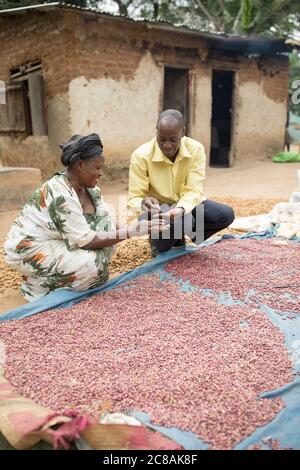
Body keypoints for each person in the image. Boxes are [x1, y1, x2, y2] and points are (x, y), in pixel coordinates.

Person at [4, 133, 166, 301]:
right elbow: (86, 240)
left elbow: (108, 225)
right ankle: (36, 286)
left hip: (60, 238)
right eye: (97, 168)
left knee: (106, 230)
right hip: (31, 247)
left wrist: (140, 226)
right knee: (91, 266)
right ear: (80, 165)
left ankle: (74, 275)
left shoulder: (91, 190)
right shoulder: (59, 192)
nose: (101, 173)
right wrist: (131, 232)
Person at [128, 109, 235, 255]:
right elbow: (134, 197)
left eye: (173, 140)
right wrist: (144, 202)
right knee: (183, 222)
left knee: (225, 214)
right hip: (159, 211)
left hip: (184, 206)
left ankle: (183, 235)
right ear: (156, 132)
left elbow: (194, 190)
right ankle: (158, 243)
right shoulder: (141, 156)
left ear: (183, 133)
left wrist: (180, 209)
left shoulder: (195, 150)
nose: (167, 145)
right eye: (161, 139)